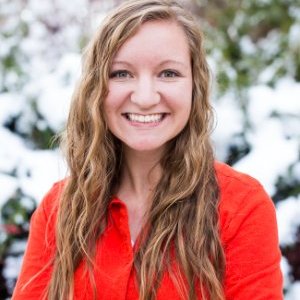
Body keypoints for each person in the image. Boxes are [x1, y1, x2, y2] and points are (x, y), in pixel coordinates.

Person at [12, 0, 283, 299]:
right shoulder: (59, 209)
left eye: (168, 73)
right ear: (95, 88)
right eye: (121, 73)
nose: (144, 97)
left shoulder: (241, 207)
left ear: (196, 85)